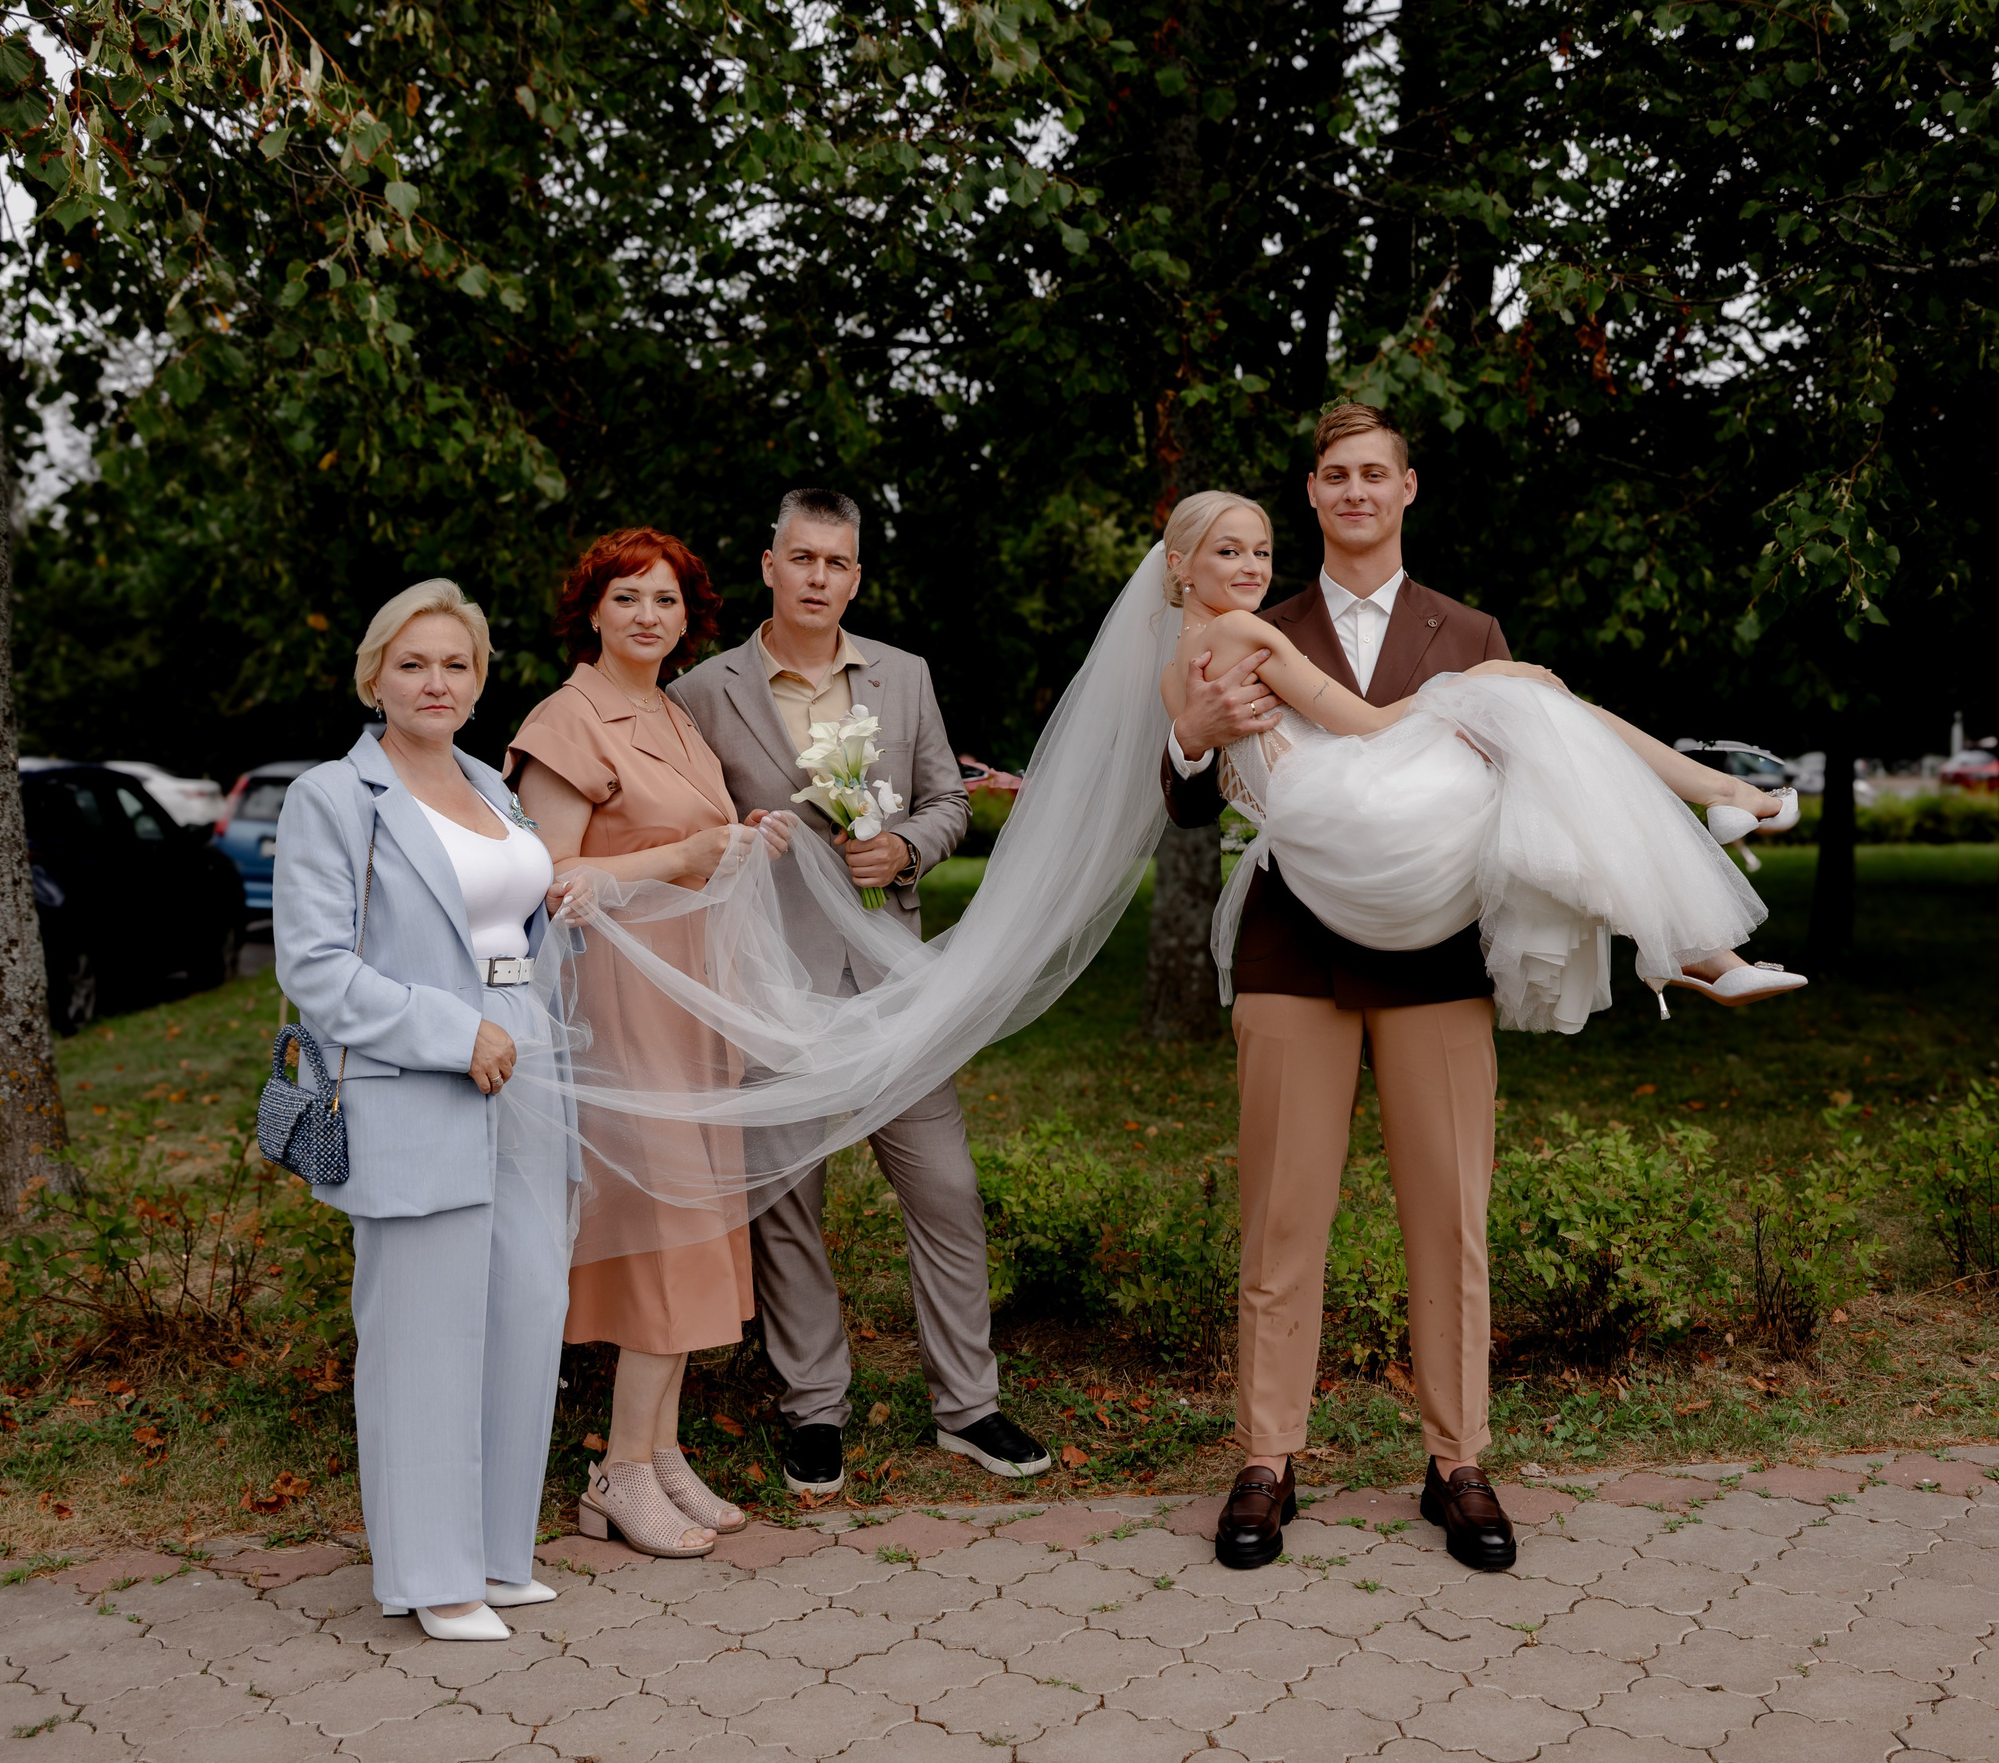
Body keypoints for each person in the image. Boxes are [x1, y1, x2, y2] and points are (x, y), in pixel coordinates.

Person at [1158, 404, 1803, 1575]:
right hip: (1292, 953)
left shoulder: (1472, 629)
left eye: (1376, 474)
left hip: (1439, 961)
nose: (1355, 491)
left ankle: (1457, 1462)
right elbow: (1192, 805)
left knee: (1449, 1218)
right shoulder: (1256, 619)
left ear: (1408, 489)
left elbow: (1536, 796)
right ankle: (1266, 1460)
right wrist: (1192, 740)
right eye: (1334, 475)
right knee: (1280, 1217)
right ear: (1310, 492)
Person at [670, 488, 1051, 1493]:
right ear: (769, 564)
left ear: (856, 577)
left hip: (891, 984)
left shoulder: (904, 677)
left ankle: (968, 1406)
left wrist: (905, 850)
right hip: (769, 981)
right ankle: (814, 1411)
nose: (818, 579)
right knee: (786, 1198)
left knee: (947, 1190)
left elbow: (947, 802)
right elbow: (687, 818)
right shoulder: (706, 690)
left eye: (837, 564)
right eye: (802, 559)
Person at [273, 579, 567, 1641]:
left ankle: (494, 1551)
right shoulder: (334, 799)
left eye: (455, 664)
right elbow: (313, 967)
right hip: (421, 1080)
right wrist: (456, 1033)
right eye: (413, 663)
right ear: (373, 678)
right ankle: (432, 1577)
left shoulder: (494, 785)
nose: (435, 681)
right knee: (424, 1334)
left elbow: (506, 922)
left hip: (528, 1075)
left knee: (527, 1313)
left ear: (479, 681)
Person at [506, 529, 796, 1558]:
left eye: (665, 601)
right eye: (625, 598)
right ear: (590, 611)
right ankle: (619, 1470)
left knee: (697, 1224)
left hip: (690, 1006)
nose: (646, 617)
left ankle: (658, 1451)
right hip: (620, 1012)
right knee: (662, 1231)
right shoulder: (565, 722)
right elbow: (556, 882)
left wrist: (742, 842)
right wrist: (691, 850)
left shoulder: (674, 714)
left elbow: (689, 852)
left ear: (686, 618)